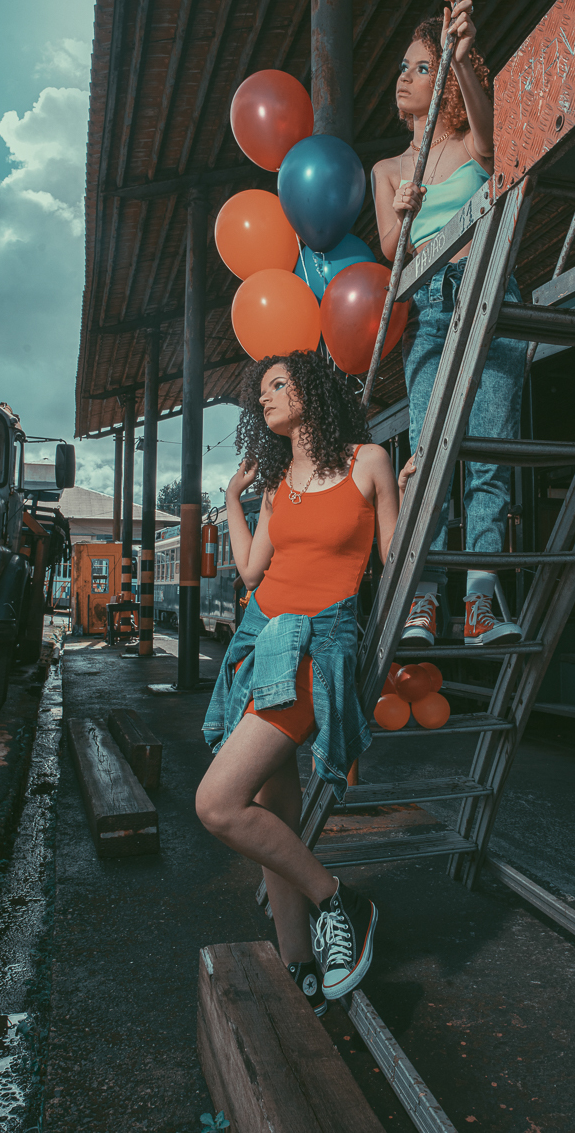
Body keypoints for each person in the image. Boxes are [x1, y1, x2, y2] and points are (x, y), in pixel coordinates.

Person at [196, 352, 406, 1014]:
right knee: (270, 808)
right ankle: (301, 971)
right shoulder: (278, 481)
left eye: (279, 384)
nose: (267, 398)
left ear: (314, 390)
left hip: (320, 643)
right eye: (261, 393)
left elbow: (395, 562)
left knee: (218, 804)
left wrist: (416, 491)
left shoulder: (368, 461)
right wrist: (233, 499)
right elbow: (252, 571)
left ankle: (340, 901)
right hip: (261, 642)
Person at [371, 0, 527, 648]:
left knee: (486, 458)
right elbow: (387, 249)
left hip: (488, 292)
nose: (405, 77)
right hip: (431, 306)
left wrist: (462, 57)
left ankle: (481, 605)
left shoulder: (468, 143)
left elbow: (495, 144)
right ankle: (423, 603)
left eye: (421, 67)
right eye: (406, 68)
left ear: (448, 84)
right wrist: (404, 218)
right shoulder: (386, 169)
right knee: (430, 458)